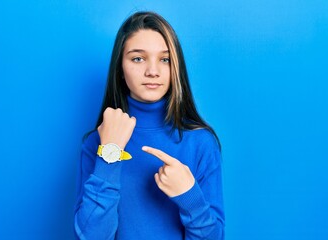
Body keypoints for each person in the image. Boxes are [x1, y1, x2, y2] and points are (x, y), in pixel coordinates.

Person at [74, 11, 225, 240]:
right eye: (138, 58)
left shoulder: (201, 142)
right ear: (120, 70)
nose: (152, 71)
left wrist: (190, 197)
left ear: (176, 68)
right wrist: (110, 154)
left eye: (164, 59)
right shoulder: (98, 142)